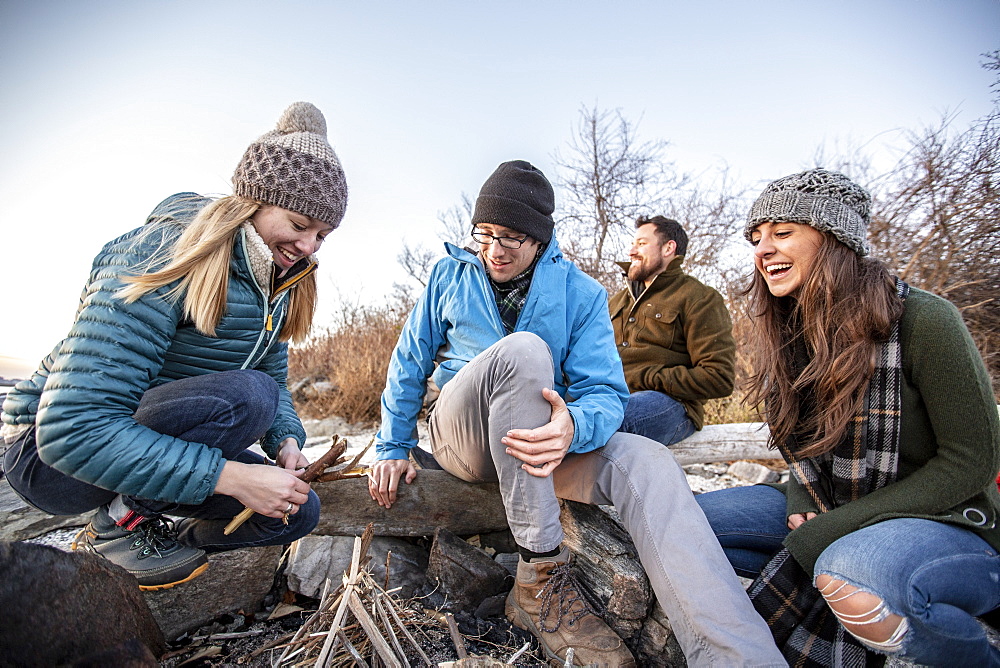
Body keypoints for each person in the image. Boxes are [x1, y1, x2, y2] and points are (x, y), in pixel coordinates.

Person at [369, 160, 785, 667]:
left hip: (542, 448)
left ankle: (735, 656)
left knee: (649, 462)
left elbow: (607, 393)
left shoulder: (582, 294)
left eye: (512, 237)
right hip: (467, 440)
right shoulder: (447, 276)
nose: (494, 249)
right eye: (484, 233)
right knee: (525, 351)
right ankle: (541, 575)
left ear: (540, 239)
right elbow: (408, 363)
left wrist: (574, 426)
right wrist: (391, 447)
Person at [1, 102, 348, 591]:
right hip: (47, 458)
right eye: (298, 225)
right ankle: (118, 523)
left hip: (145, 449)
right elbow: (72, 430)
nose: (309, 246)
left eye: (321, 235)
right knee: (249, 398)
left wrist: (286, 442)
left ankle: (163, 533)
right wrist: (229, 477)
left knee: (295, 511)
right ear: (254, 202)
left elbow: (273, 378)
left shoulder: (280, 282)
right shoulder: (163, 251)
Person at [695, 168, 1000, 665]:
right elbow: (804, 447)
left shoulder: (924, 320)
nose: (762, 249)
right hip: (829, 496)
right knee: (689, 528)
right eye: (756, 238)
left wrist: (832, 528)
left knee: (845, 569)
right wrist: (800, 495)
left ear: (834, 238)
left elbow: (973, 461)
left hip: (944, 518)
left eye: (782, 232)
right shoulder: (792, 331)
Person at [609, 215, 736, 446]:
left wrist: (644, 377)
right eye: (632, 244)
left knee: (608, 422)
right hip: (610, 397)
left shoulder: (699, 298)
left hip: (672, 405)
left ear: (668, 248)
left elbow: (719, 378)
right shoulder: (616, 302)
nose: (631, 251)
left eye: (642, 243)